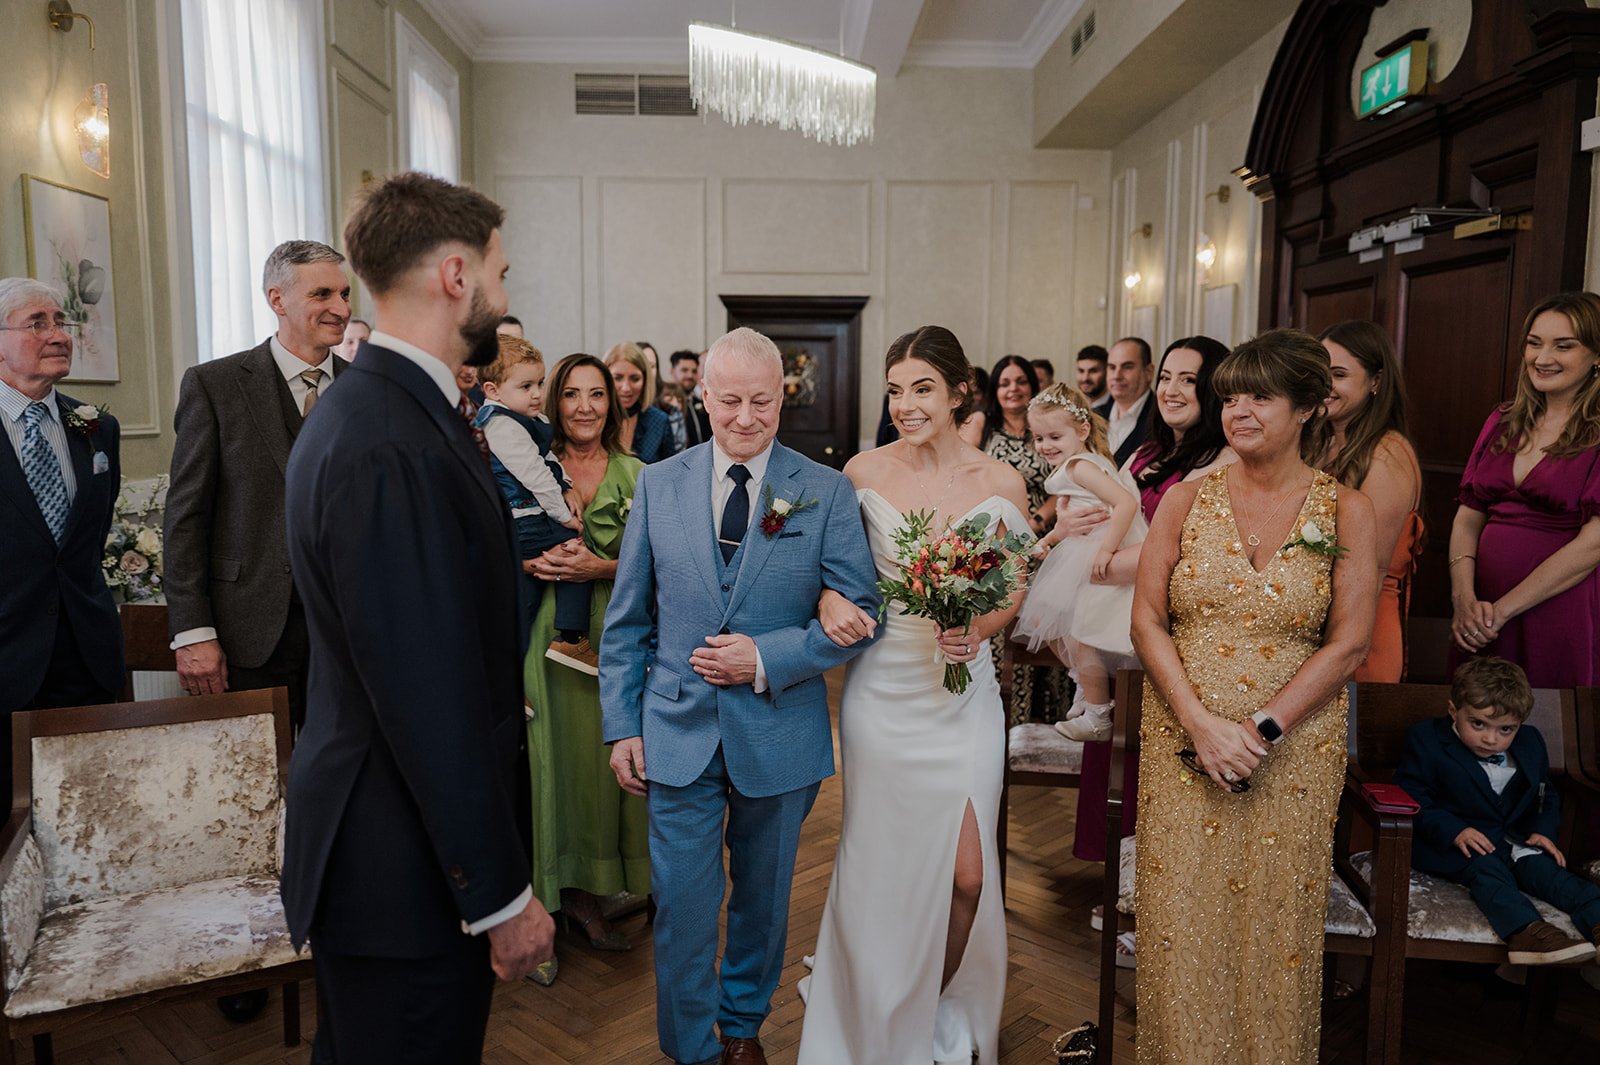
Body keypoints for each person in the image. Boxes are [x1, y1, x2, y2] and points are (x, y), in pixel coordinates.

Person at [280, 171, 555, 1063]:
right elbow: (421, 689)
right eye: (500, 273)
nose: (507, 298)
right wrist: (501, 896)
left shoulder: (389, 409)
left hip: (401, 855)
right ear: (454, 273)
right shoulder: (387, 440)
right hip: (401, 866)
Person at [601, 327, 880, 1065]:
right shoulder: (659, 485)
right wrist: (620, 726)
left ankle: (741, 1028)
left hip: (779, 733)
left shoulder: (824, 490)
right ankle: (690, 1048)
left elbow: (861, 615)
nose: (747, 417)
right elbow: (627, 620)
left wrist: (767, 655)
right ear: (703, 396)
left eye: (762, 401)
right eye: (730, 401)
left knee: (762, 902)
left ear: (782, 396)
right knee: (684, 908)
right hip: (673, 731)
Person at [1130, 329, 1376, 1062]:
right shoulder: (1183, 499)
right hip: (1183, 739)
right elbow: (1146, 618)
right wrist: (1203, 724)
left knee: (1275, 929)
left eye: (1259, 395)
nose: (1237, 409)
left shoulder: (1347, 509)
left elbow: (1350, 641)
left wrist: (1261, 728)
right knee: (1183, 922)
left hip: (1294, 748)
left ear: (1309, 405)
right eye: (1229, 395)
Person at [796, 325, 1030, 1065]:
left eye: (921, 387)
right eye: (895, 389)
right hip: (884, 692)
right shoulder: (862, 471)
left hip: (964, 696)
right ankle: (875, 1009)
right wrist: (832, 598)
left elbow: (1015, 584)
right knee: (880, 863)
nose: (904, 403)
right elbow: (828, 568)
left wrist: (978, 625)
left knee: (967, 873)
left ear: (961, 390)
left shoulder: (1001, 482)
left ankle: (926, 1005)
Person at [165, 240, 352, 735]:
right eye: (322, 294)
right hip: (248, 630)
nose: (342, 308)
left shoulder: (367, 392)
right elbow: (186, 517)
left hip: (350, 633)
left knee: (346, 784)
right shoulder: (216, 385)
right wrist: (193, 632)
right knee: (251, 786)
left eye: (345, 293)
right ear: (277, 299)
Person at [1070, 337, 1238, 873]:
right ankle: (1112, 875)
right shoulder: (1146, 451)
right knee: (1115, 748)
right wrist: (1074, 529)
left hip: (1169, 625)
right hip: (1115, 620)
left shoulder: (1223, 459)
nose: (1171, 389)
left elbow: (1188, 541)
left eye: (1189, 379)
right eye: (1166, 376)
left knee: (1154, 761)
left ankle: (1148, 889)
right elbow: (1103, 510)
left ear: (1214, 389)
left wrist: (1103, 566)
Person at [521, 352, 648, 983]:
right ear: (553, 401)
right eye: (571, 394)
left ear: (614, 403)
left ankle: (595, 895)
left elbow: (665, 569)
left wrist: (597, 568)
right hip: (544, 635)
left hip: (616, 638)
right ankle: (548, 906)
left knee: (603, 769)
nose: (584, 407)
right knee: (553, 767)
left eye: (597, 395)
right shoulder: (529, 467)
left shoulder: (640, 473)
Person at [0, 277, 123, 801]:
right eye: (37, 323)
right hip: (6, 663)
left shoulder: (97, 428)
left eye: (60, 322)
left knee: (93, 809)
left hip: (85, 660)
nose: (59, 335)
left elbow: (87, 541)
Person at [1393, 656, 1600, 965]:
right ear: (1454, 710)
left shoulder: (1531, 742)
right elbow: (1411, 795)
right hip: (1457, 847)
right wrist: (1454, 830)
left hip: (1516, 841)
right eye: (1478, 724)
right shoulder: (1427, 739)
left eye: (1506, 729)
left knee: (1551, 875)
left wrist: (1542, 831)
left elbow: (1546, 796)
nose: (1491, 738)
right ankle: (1527, 932)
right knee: (1488, 873)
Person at [1450, 291, 1600, 687]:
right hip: (1481, 611)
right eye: (1535, 343)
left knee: (1546, 726)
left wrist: (1502, 612)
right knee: (1471, 725)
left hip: (1556, 609)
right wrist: (1464, 600)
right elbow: (1467, 518)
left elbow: (1594, 544)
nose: (1542, 357)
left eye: (1563, 346)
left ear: (1597, 355)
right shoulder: (1502, 420)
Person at [1013, 383, 1147, 743]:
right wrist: (1048, 540)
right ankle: (1086, 687)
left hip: (1097, 555)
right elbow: (1073, 517)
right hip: (1081, 551)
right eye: (1038, 438)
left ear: (1082, 430)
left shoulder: (1078, 467)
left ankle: (1098, 711)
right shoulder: (1085, 463)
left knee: (1075, 632)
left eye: (1054, 436)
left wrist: (1106, 551)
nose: (1045, 446)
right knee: (1051, 622)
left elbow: (1125, 505)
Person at [475, 336, 595, 672]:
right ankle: (571, 640)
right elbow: (535, 475)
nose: (537, 394)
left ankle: (503, 671)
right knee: (574, 555)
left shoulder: (524, 419)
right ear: (492, 390)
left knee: (524, 597)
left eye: (540, 383)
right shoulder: (500, 424)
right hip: (524, 517)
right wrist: (564, 517)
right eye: (525, 385)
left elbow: (550, 459)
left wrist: (568, 485)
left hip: (525, 518)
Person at [1319, 320, 1423, 682]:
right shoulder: (1320, 442)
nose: (1325, 385)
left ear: (1376, 382)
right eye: (1320, 373)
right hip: (1317, 622)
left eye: (1339, 374)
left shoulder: (1387, 454)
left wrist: (1338, 649)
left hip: (1362, 630)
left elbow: (1371, 571)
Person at [967, 355, 1065, 723]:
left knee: (1036, 632)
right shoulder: (981, 423)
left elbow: (1066, 478)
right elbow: (965, 474)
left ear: (1032, 386)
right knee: (996, 628)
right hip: (994, 547)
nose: (1013, 389)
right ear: (995, 388)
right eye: (1005, 382)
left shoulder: (1046, 425)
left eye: (1020, 381)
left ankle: (1036, 719)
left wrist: (1036, 520)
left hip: (1043, 543)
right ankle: (994, 716)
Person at [605, 341, 678, 463]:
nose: (626, 388)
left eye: (635, 379)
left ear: (645, 380)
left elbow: (670, 474)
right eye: (618, 378)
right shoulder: (594, 418)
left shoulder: (659, 421)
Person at [1094, 337, 1156, 466]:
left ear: (1148, 372)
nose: (1117, 376)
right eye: (1112, 367)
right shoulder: (1094, 415)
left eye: (1127, 367)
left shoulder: (1163, 419)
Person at [671, 348, 712, 447]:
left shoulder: (701, 404)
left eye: (694, 371)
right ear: (672, 372)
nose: (690, 375)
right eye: (684, 370)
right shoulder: (664, 404)